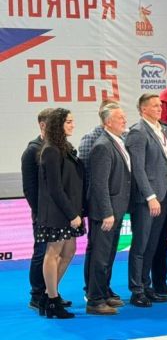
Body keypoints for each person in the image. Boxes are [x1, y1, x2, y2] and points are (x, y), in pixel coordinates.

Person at [126, 94, 167, 307]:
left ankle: (147, 285)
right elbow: (138, 168)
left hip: (164, 193)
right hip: (148, 198)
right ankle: (136, 290)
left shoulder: (164, 129)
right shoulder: (138, 132)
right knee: (141, 245)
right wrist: (150, 196)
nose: (159, 108)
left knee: (153, 244)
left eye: (160, 105)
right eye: (154, 106)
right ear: (143, 109)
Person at [36, 108, 84, 319]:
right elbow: (55, 188)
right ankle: (53, 300)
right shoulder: (51, 150)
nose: (73, 125)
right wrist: (72, 213)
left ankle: (49, 295)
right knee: (53, 252)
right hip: (57, 212)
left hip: (68, 209)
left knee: (69, 251)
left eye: (72, 121)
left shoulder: (64, 147)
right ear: (58, 125)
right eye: (68, 122)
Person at [86, 103, 132, 315]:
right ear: (108, 122)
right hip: (107, 212)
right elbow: (99, 184)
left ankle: (103, 292)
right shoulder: (103, 146)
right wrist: (107, 212)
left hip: (116, 209)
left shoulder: (116, 141)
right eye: (120, 117)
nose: (124, 120)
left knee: (109, 255)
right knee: (101, 256)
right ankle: (95, 300)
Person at [21, 108, 53, 311]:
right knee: (41, 252)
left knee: (54, 254)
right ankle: (37, 294)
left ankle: (51, 292)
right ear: (42, 125)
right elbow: (29, 188)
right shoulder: (32, 151)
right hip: (42, 213)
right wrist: (39, 211)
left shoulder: (57, 147)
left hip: (57, 213)